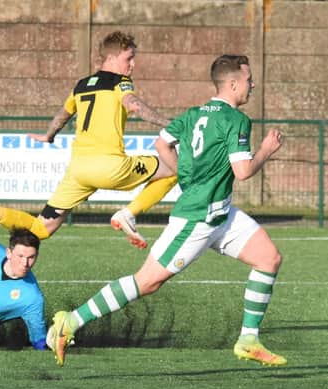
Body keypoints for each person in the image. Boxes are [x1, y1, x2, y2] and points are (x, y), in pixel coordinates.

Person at [46, 54, 287, 367]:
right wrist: (266, 150)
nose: (252, 85)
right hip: (197, 218)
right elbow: (242, 171)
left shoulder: (192, 114)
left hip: (220, 212)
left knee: (269, 258)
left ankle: (248, 339)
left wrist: (186, 177)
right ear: (233, 83)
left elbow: (162, 145)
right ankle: (70, 322)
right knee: (147, 282)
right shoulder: (236, 120)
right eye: (249, 79)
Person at [0, 30, 178, 250]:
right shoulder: (121, 82)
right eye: (128, 58)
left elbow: (62, 114)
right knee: (173, 167)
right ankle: (128, 214)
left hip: (78, 172)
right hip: (109, 167)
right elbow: (134, 105)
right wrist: (173, 125)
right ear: (111, 58)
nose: (132, 65)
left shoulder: (81, 85)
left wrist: (49, 135)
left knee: (42, 228)